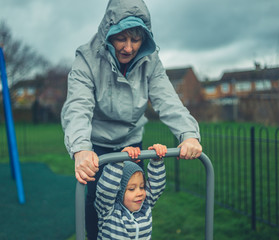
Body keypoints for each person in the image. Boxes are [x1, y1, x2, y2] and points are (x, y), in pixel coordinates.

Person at [61, 0, 202, 239]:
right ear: (108, 33)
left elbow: (167, 99)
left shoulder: (150, 60)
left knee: (135, 201)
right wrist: (81, 149)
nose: (128, 48)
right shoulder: (87, 59)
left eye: (135, 40)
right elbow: (78, 106)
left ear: (144, 38)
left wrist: (188, 134)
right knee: (99, 205)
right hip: (98, 146)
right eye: (121, 38)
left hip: (131, 143)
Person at [94, 144, 167, 239]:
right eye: (132, 189)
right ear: (119, 191)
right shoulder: (108, 211)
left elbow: (157, 183)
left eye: (142, 187)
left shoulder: (145, 205)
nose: (140, 193)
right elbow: (106, 189)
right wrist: (119, 160)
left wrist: (157, 160)